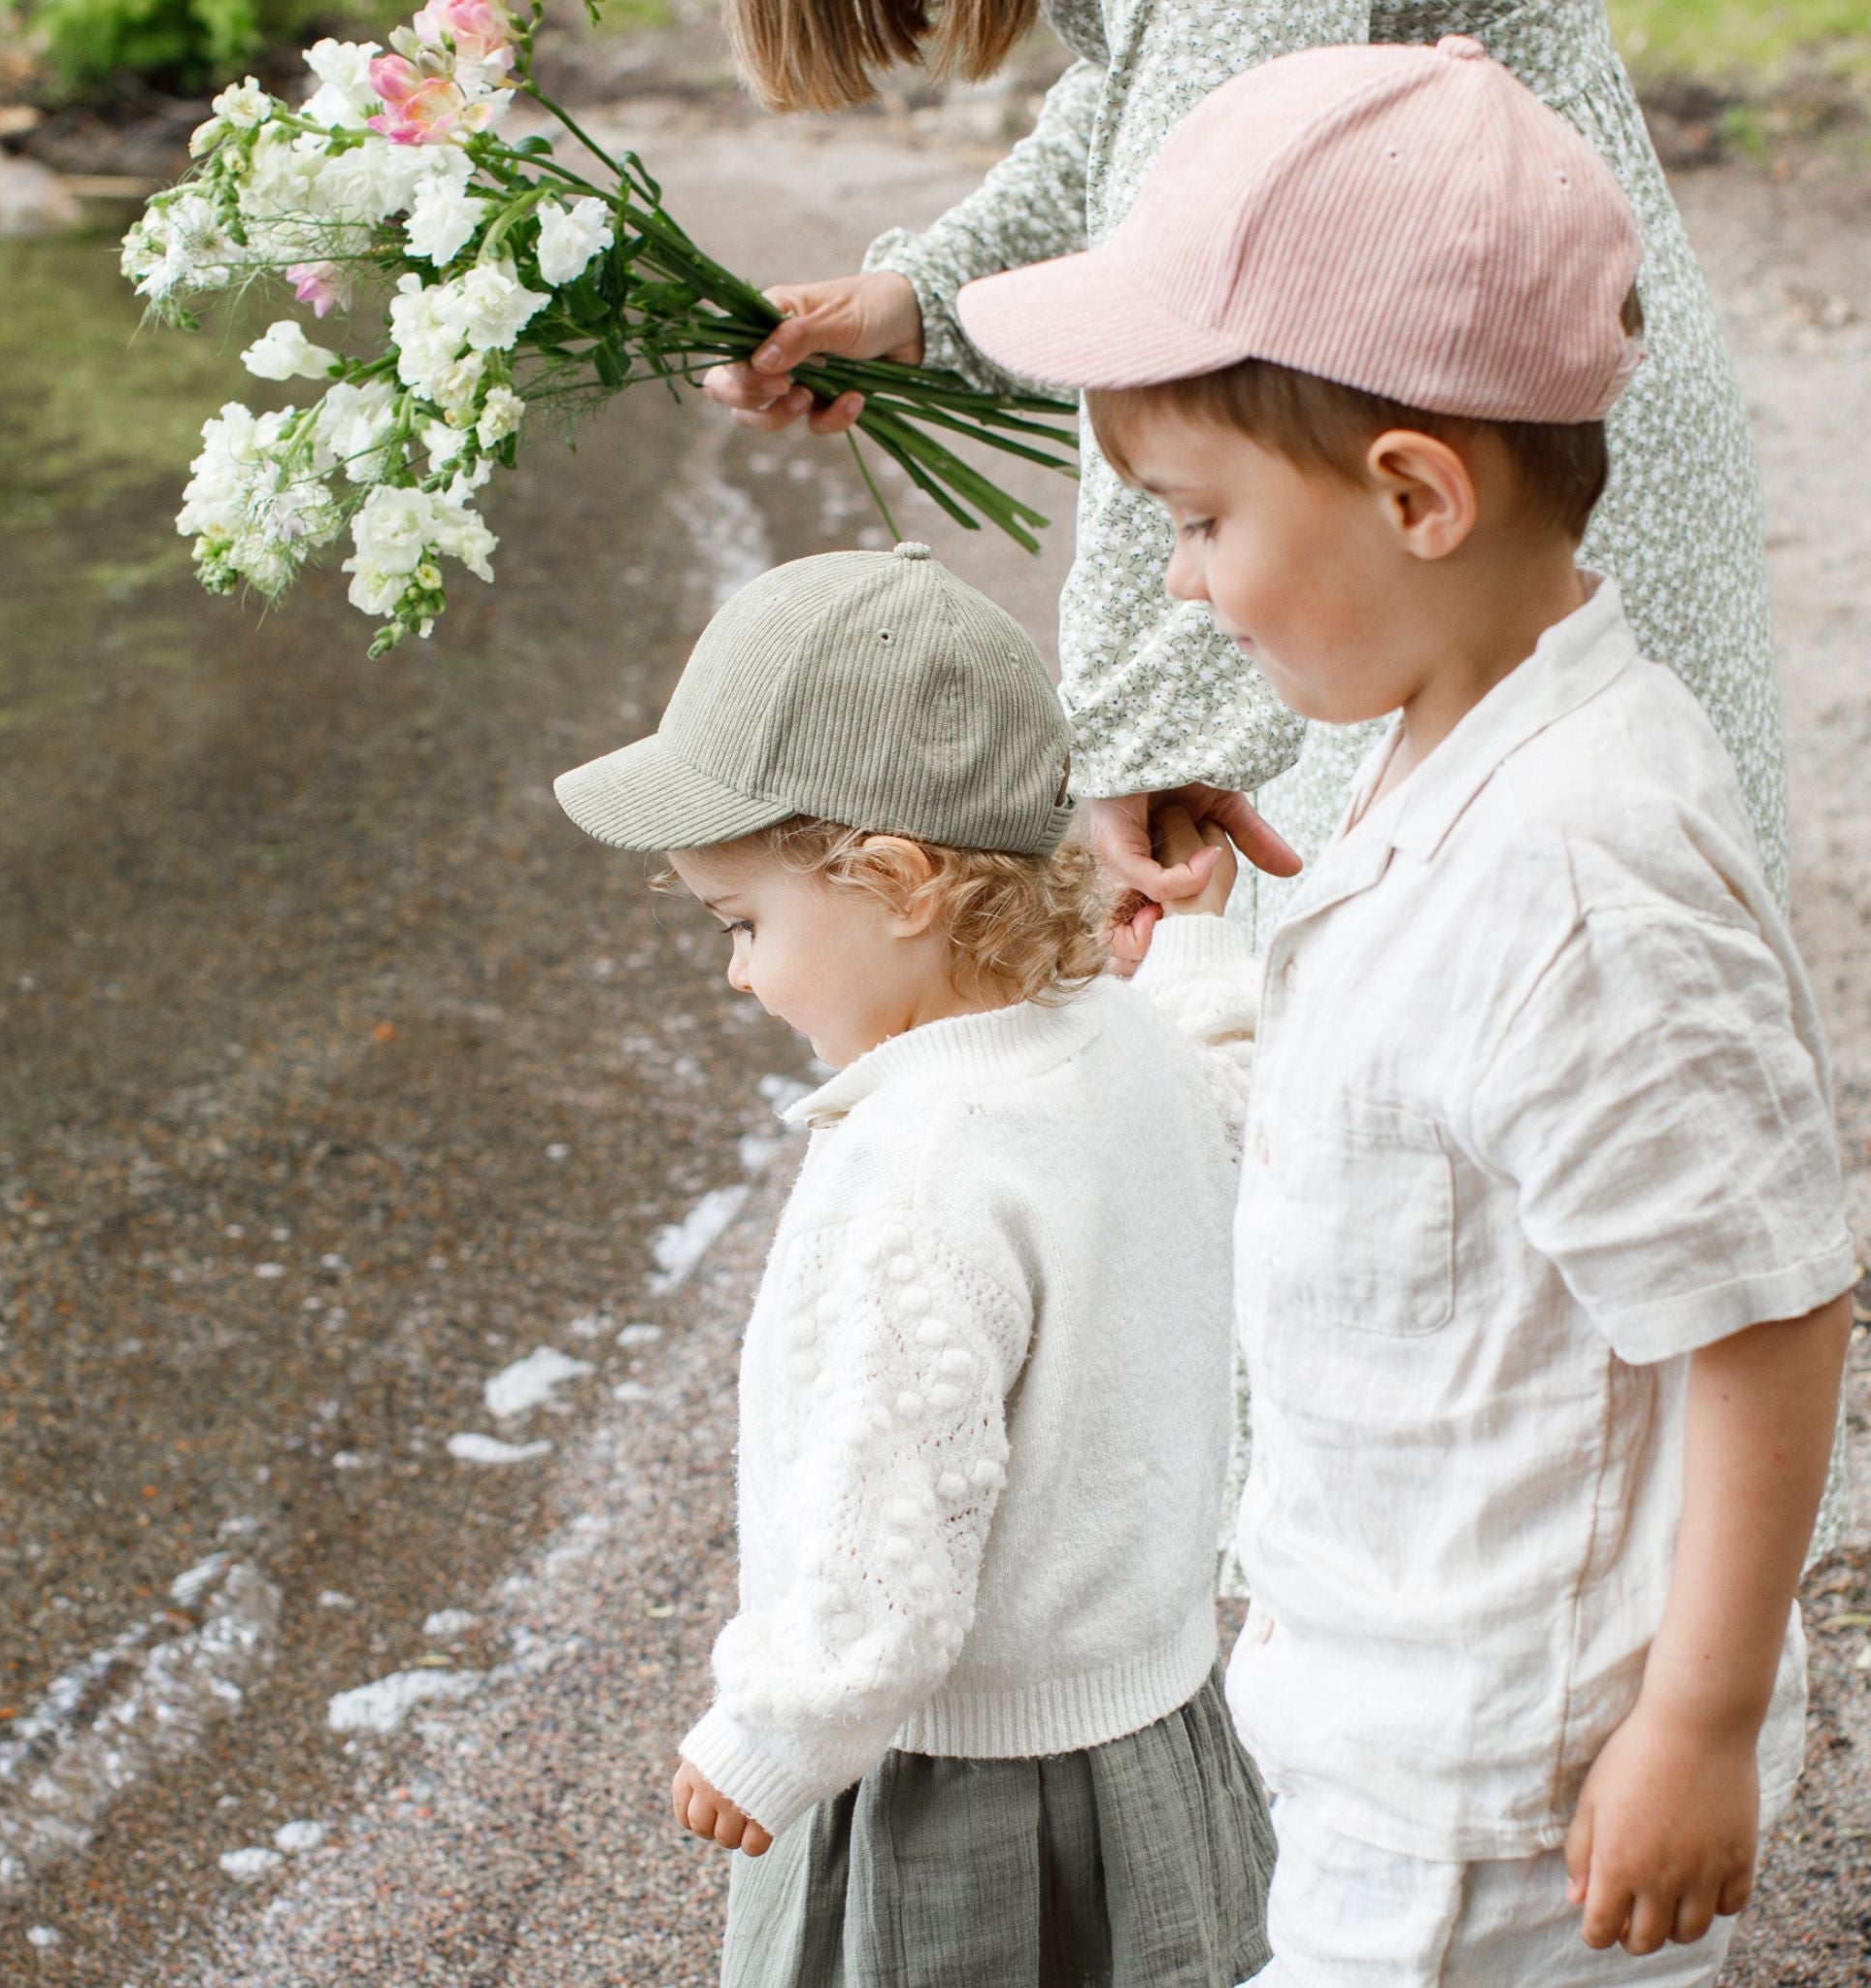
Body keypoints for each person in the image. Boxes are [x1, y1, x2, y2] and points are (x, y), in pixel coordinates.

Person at [701, 0, 1851, 1559]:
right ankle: (1440, 1529)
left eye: (1192, 527)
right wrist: (927, 294)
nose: (1183, 570)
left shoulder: (1580, 834)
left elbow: (1211, 310)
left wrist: (1141, 734)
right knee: (1409, 1091)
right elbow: (1160, 135)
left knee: (1520, 1060)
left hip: (1436, 452)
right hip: (1413, 476)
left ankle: (1619, 1570)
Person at [954, 37, 1857, 1984]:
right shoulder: (1447, 735)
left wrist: (1697, 1723)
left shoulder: (1582, 882)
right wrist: (1243, 941)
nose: (1181, 588)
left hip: (1508, 1794)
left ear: (1416, 495)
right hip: (1395, 1701)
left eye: (1199, 520)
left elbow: (1769, 1304)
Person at [553, 544, 1276, 1986]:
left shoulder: (922, 1171)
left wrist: (774, 1733)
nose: (738, 974)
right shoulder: (1116, 1044)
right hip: (1158, 1735)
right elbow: (1226, 1093)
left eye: (744, 925)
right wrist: (1198, 950)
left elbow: (892, 1520)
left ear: (895, 881)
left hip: (960, 1792)